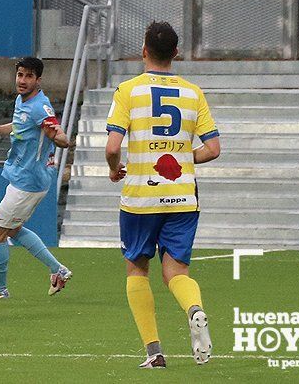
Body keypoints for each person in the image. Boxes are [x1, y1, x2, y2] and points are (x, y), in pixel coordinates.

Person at [104, 21, 220, 369]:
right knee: (176, 273)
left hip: (140, 198)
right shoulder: (192, 92)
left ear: (143, 51)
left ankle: (154, 353)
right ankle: (194, 309)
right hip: (183, 196)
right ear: (176, 53)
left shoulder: (128, 90)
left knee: (137, 270)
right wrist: (182, 158)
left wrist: (114, 168)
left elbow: (112, 147)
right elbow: (213, 149)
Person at [0, 57, 73, 299]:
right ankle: (58, 270)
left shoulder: (40, 107)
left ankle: (0, 289)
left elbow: (56, 132)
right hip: (24, 177)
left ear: (38, 80)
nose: (22, 81)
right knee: (12, 230)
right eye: (20, 75)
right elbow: (17, 126)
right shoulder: (22, 102)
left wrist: (61, 139)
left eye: (28, 76)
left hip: (28, 181)